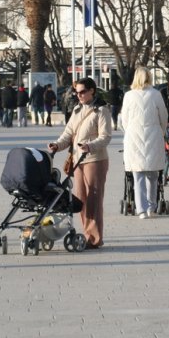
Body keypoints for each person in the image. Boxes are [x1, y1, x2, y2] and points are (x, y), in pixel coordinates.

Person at [48, 77, 113, 248]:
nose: (79, 95)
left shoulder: (101, 110)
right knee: (80, 199)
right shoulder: (77, 109)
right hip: (78, 160)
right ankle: (87, 233)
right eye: (77, 92)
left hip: (95, 160)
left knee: (94, 199)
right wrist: (57, 145)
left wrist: (90, 146)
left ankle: (94, 238)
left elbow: (105, 137)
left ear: (92, 90)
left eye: (83, 91)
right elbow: (68, 132)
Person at [120, 66, 168, 219]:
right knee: (153, 175)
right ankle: (151, 207)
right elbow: (164, 116)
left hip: (134, 136)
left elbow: (124, 119)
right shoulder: (156, 94)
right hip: (153, 134)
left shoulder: (128, 95)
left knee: (137, 174)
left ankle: (141, 209)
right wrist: (161, 131)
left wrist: (130, 130)